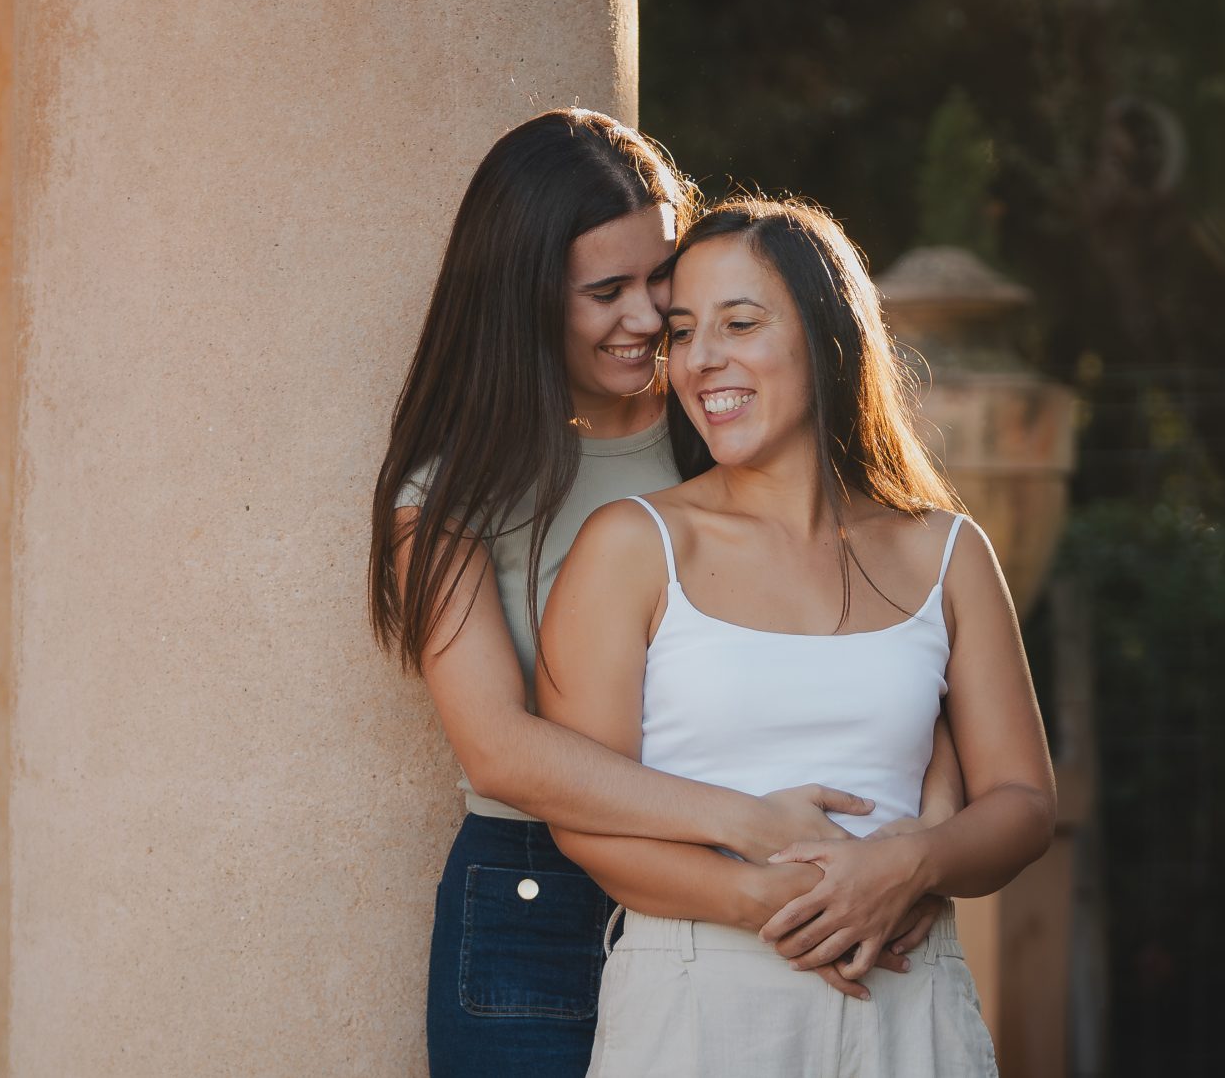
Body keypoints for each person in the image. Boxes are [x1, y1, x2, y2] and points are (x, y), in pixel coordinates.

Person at [368, 111, 950, 1076]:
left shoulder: (724, 427)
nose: (647, 318)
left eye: (661, 279)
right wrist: (743, 824)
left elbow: (905, 644)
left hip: (767, 904)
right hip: (537, 916)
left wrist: (919, 850)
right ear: (525, 294)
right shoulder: (449, 495)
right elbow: (498, 746)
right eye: (607, 291)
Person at [537, 197, 1058, 1076]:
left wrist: (911, 865)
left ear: (827, 337)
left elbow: (1023, 802)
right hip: (701, 999)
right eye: (683, 331)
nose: (701, 358)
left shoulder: (947, 550)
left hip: (909, 999)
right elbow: (583, 816)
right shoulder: (632, 545)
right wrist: (764, 896)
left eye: (739, 323)